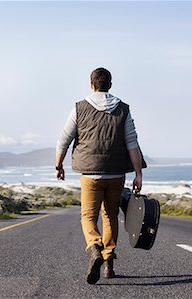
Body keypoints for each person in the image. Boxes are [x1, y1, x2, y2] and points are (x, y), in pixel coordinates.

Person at [55, 67, 146, 284]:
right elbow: (132, 143)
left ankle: (94, 248)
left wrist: (58, 166)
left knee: (88, 216)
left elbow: (64, 139)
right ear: (110, 85)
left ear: (91, 84)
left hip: (90, 174)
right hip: (116, 174)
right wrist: (138, 174)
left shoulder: (79, 108)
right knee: (110, 216)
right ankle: (108, 264)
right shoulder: (123, 109)